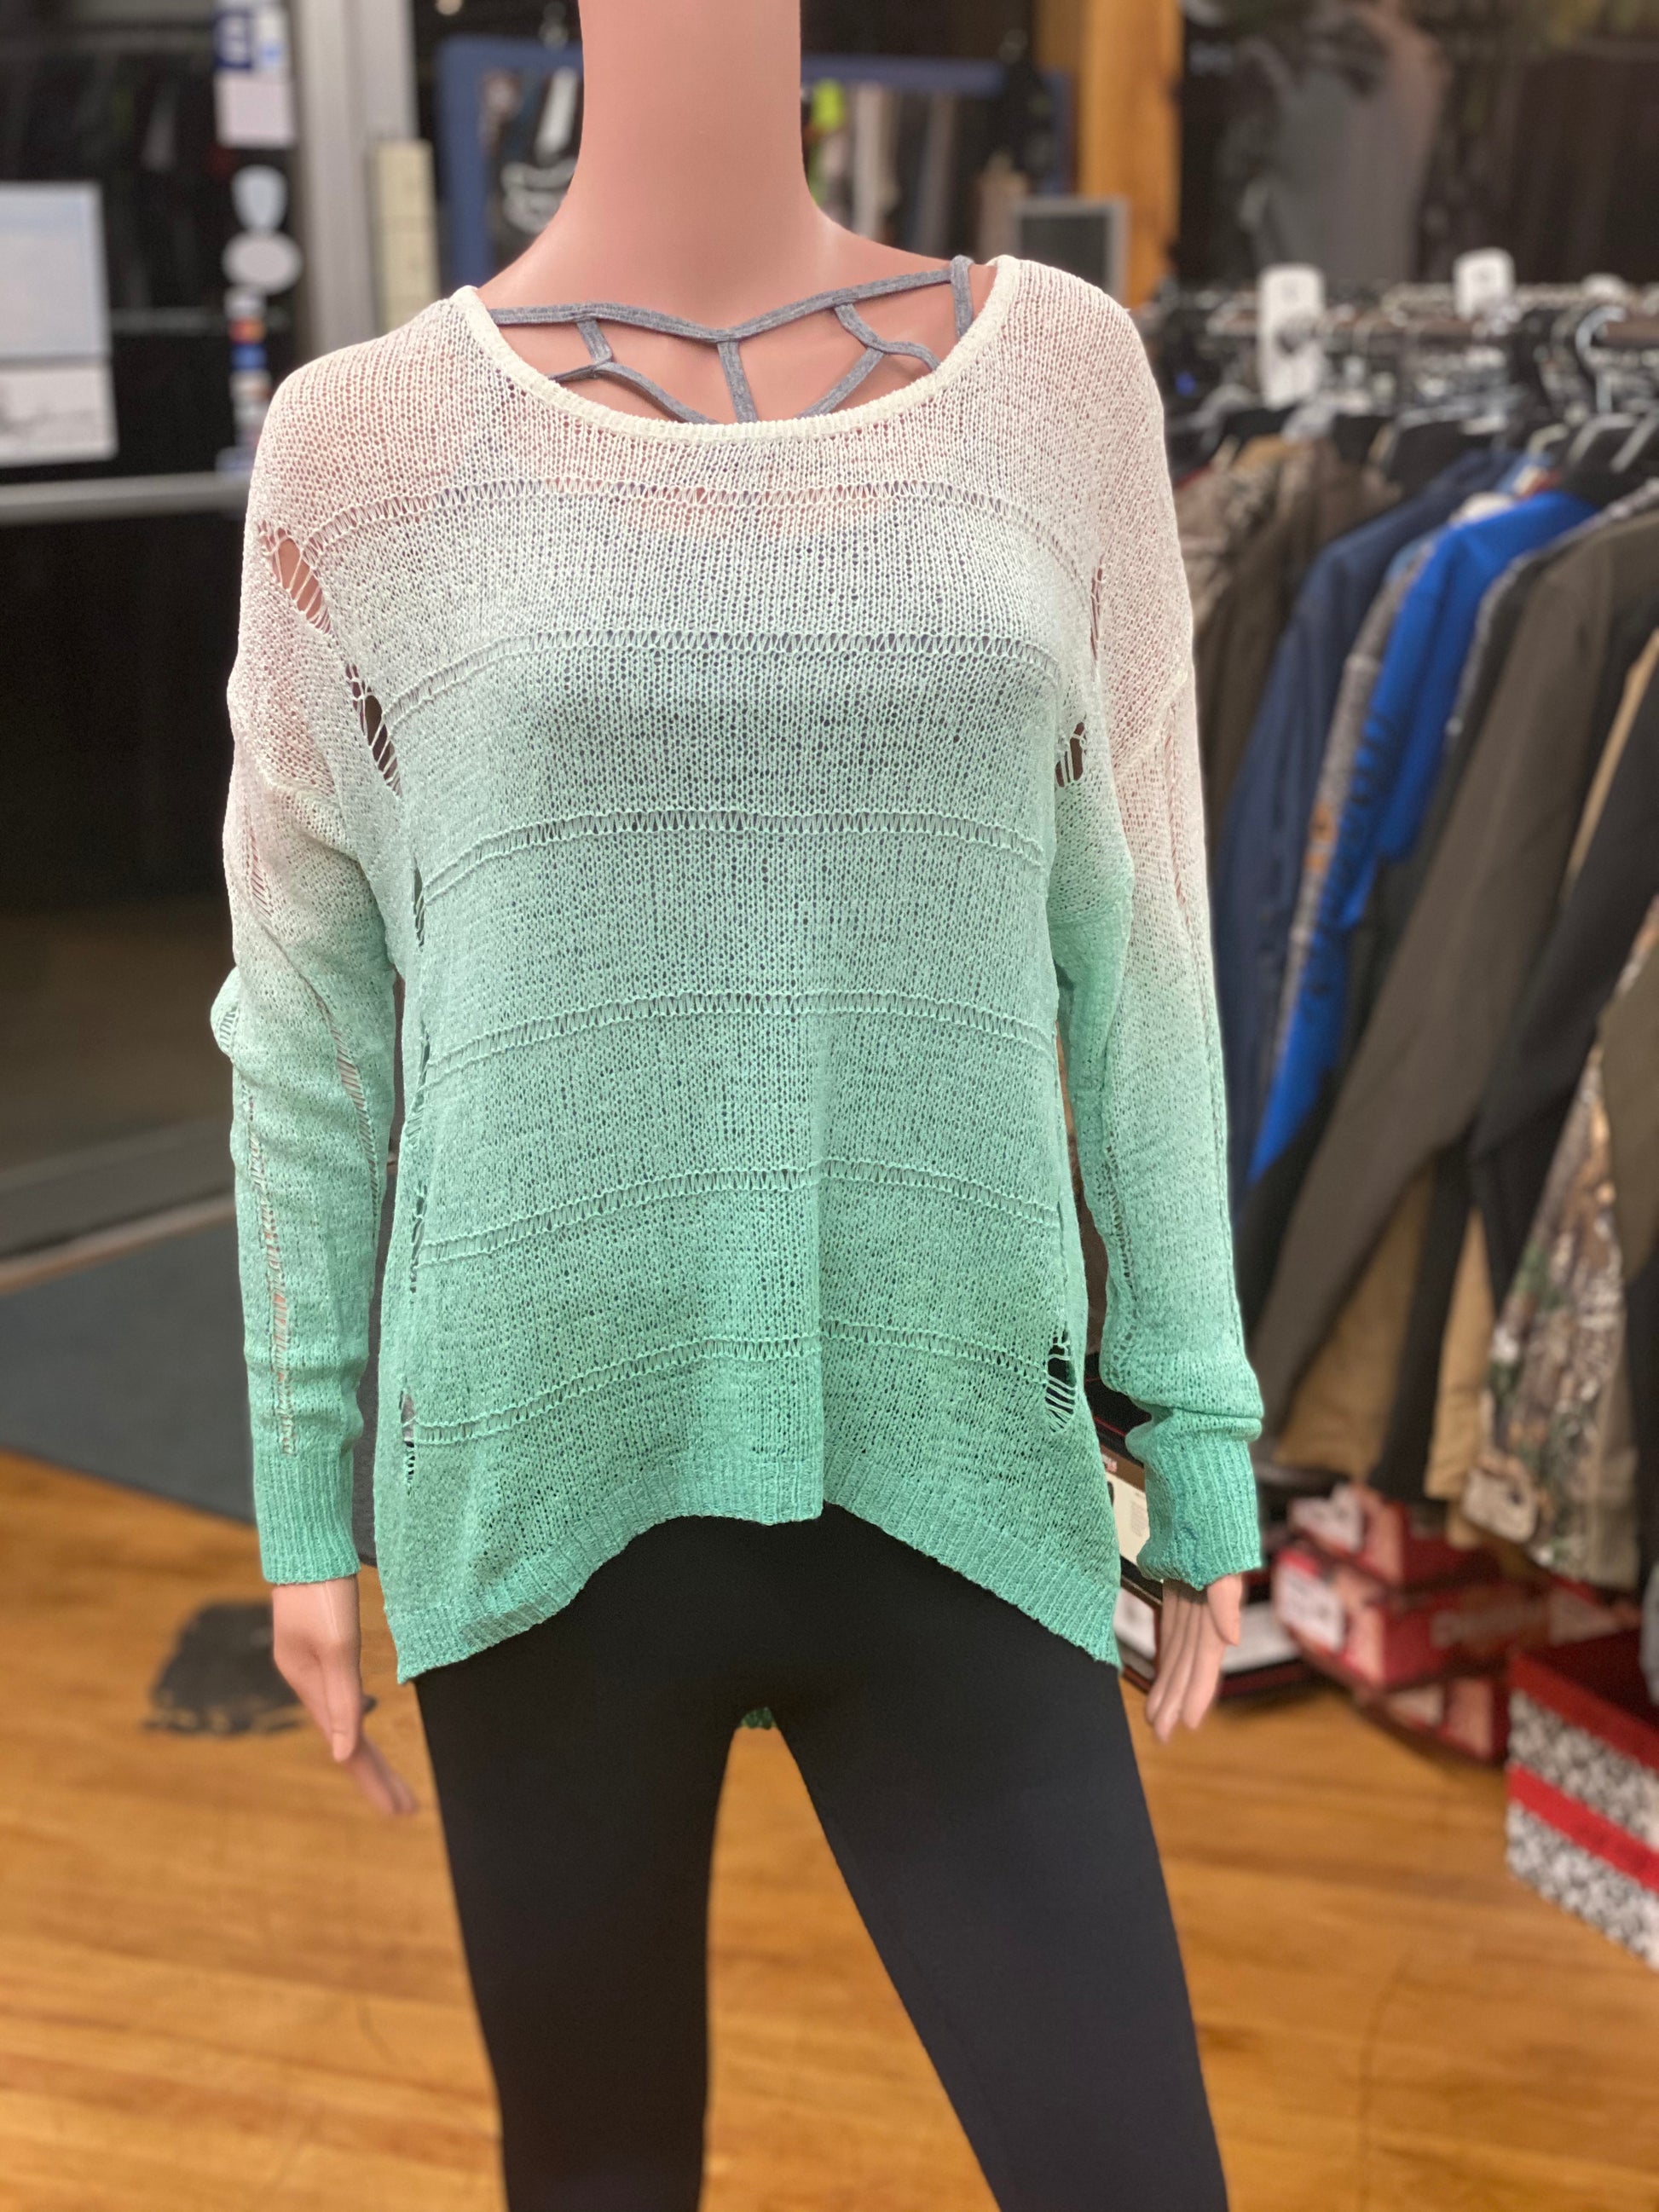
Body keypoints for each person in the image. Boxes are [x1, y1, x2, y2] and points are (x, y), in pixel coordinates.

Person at [211, 3, 1265, 2204]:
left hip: (959, 1455)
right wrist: (304, 1498)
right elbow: (304, 1025)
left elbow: (1146, 928)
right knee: (599, 2171)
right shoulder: (361, 443)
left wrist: (1193, 1406)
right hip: (540, 1475)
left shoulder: (1061, 380)